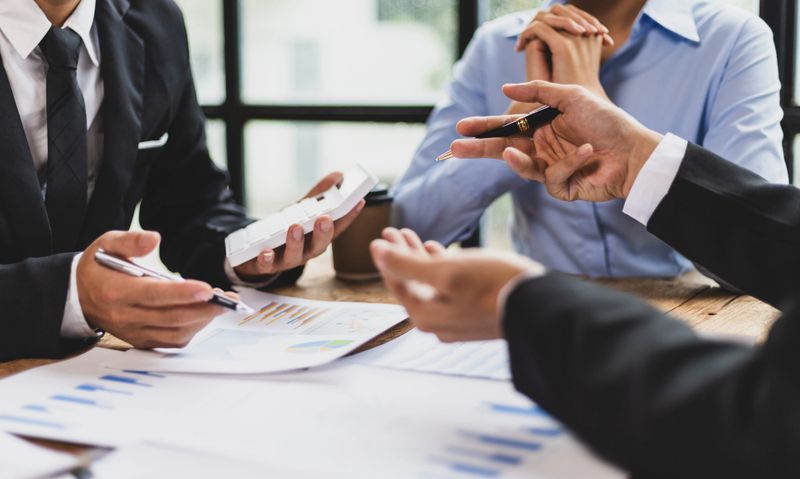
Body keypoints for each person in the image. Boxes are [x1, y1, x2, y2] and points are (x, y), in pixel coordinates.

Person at [370, 80, 800, 477]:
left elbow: (759, 424)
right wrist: (633, 158)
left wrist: (523, 301)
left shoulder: (730, 36)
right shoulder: (496, 45)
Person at [0, 0, 363, 361]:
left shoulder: (154, 20)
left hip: (94, 371)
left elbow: (188, 200)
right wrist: (70, 296)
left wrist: (251, 249)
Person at [392, 0, 787, 278]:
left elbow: (764, 254)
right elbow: (407, 231)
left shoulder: (731, 39)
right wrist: (511, 142)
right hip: (534, 316)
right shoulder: (495, 45)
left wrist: (606, 122)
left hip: (685, 322)